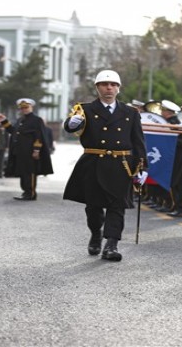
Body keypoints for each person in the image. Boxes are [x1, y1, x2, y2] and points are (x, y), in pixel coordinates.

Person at [63, 70, 147, 262]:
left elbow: (138, 141)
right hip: (94, 163)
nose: (109, 88)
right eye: (104, 84)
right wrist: (71, 123)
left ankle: (111, 245)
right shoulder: (84, 109)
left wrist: (143, 167)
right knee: (93, 207)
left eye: (113, 85)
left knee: (117, 206)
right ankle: (95, 233)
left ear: (118, 88)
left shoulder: (130, 112)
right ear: (97, 87)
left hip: (121, 164)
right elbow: (70, 126)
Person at [0, 98, 54, 200]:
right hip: (20, 151)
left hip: (30, 151)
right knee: (23, 172)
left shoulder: (37, 120)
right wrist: (4, 121)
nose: (24, 110)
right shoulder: (20, 120)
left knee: (30, 172)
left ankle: (31, 193)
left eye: (26, 107)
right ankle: (25, 192)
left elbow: (39, 136)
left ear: (31, 107)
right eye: (22, 108)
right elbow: (13, 131)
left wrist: (36, 150)